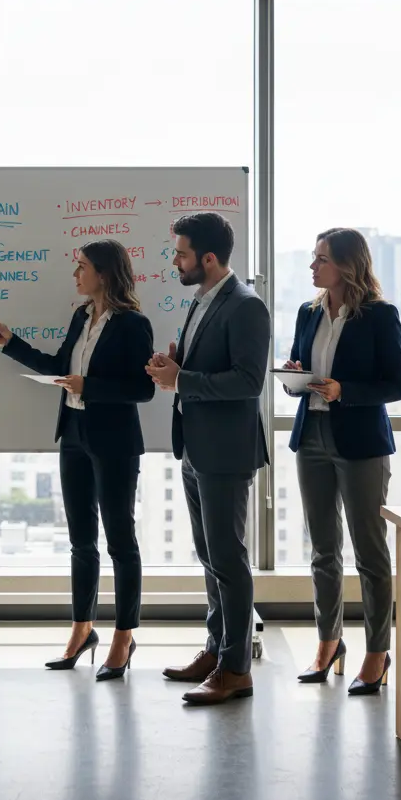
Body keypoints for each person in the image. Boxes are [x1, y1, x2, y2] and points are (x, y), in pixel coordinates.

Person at [0, 240, 155, 679]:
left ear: (103, 273)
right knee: (81, 541)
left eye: (81, 267)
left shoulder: (134, 325)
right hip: (74, 435)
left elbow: (143, 390)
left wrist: (88, 387)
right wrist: (11, 343)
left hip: (114, 441)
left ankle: (124, 636)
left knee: (120, 540)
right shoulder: (81, 316)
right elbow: (60, 367)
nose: (75, 275)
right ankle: (82, 630)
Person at [146, 212, 270, 706]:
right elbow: (204, 367)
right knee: (210, 557)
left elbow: (247, 382)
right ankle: (217, 649)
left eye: (181, 253)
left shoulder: (246, 306)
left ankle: (236, 668)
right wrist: (176, 365)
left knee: (229, 560)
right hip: (197, 447)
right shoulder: (202, 300)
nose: (175, 260)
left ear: (209, 258)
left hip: (224, 450)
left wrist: (183, 380)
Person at [284, 227, 401, 696]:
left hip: (360, 442)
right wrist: (293, 376)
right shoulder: (307, 312)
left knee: (370, 553)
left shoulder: (379, 316)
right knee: (322, 550)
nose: (312, 268)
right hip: (311, 434)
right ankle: (328, 643)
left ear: (346, 265)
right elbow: (298, 368)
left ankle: (377, 651)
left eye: (321, 260)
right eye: (314, 258)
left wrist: (344, 391)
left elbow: (396, 385)